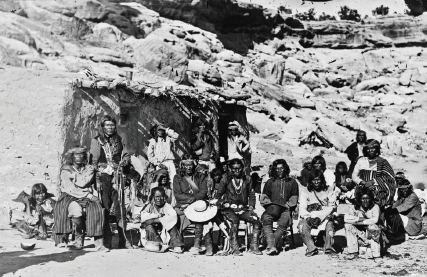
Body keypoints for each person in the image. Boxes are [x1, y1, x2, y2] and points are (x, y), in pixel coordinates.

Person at [53, 146, 108, 252]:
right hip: (70, 196)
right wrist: (87, 195)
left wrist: (75, 177)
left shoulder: (89, 168)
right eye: (76, 154)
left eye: (81, 154)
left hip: (86, 195)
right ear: (72, 156)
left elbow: (83, 182)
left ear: (84, 156)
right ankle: (76, 240)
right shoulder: (66, 169)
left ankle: (99, 244)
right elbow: (69, 188)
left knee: (96, 210)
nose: (78, 156)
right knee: (75, 211)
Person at [90, 115, 132, 249]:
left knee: (120, 208)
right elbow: (94, 161)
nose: (110, 127)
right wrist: (97, 173)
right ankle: (106, 241)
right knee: (105, 208)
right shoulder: (97, 141)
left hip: (118, 176)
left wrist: (124, 162)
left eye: (112, 125)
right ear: (102, 127)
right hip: (103, 178)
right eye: (107, 125)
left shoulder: (120, 139)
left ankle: (124, 240)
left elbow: (125, 153)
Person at [214, 158, 262, 256]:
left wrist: (251, 207)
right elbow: (218, 197)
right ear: (230, 169)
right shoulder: (225, 179)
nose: (237, 171)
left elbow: (252, 195)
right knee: (234, 221)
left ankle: (254, 245)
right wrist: (224, 204)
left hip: (243, 208)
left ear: (242, 168)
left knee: (256, 220)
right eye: (234, 168)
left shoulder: (247, 179)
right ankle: (234, 248)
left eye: (239, 168)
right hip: (229, 209)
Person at [173, 154, 214, 255]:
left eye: (190, 164)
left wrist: (194, 199)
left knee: (203, 217)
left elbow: (203, 192)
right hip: (183, 204)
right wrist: (190, 200)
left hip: (198, 204)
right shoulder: (177, 178)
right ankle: (178, 243)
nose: (189, 167)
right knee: (176, 215)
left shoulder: (201, 176)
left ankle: (200, 245)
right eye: (186, 165)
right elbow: (178, 194)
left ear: (194, 165)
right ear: (182, 166)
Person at [260, 159, 299, 255]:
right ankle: (272, 245)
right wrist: (270, 206)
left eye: (281, 168)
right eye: (277, 169)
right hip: (272, 209)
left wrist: (287, 205)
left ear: (285, 169)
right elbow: (264, 197)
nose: (280, 171)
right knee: (266, 218)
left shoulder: (292, 182)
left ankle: (271, 245)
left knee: (284, 221)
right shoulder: (270, 182)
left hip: (286, 209)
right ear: (274, 170)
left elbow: (294, 197)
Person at [298, 169, 337, 257]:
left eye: (318, 179)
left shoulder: (329, 190)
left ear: (322, 180)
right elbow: (302, 207)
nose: (316, 182)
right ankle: (311, 248)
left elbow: (331, 206)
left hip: (325, 216)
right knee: (302, 225)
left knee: (330, 225)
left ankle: (328, 248)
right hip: (310, 215)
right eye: (313, 180)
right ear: (310, 181)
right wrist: (308, 218)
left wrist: (320, 217)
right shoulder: (305, 191)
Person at [352, 139, 396, 209]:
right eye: (368, 149)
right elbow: (354, 176)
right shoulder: (361, 161)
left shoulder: (383, 162)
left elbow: (390, 178)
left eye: (373, 148)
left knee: (377, 209)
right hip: (363, 188)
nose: (370, 151)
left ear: (377, 149)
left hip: (379, 190)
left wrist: (372, 182)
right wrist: (363, 183)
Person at [140, 187, 184, 253]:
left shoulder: (167, 206)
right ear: (153, 197)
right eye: (157, 197)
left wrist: (155, 220)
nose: (159, 199)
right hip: (154, 234)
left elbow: (173, 216)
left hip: (165, 232)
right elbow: (143, 216)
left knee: (172, 225)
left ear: (164, 197)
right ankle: (159, 244)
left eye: (161, 196)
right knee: (148, 226)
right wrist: (157, 216)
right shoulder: (150, 206)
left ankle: (176, 245)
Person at [341, 187, 381, 261]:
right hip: (360, 233)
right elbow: (346, 218)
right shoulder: (355, 207)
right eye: (363, 199)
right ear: (359, 199)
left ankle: (376, 255)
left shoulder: (375, 207)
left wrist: (362, 222)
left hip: (371, 234)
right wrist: (358, 219)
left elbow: (374, 220)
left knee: (373, 227)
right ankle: (353, 252)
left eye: (367, 198)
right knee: (348, 225)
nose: (365, 201)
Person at [385, 175, 423, 240]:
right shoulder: (402, 196)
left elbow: (403, 207)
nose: (403, 191)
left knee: (395, 215)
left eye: (405, 189)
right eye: (402, 189)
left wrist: (390, 211)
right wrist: (387, 210)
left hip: (414, 224)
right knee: (388, 214)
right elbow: (395, 205)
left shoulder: (413, 196)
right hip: (407, 221)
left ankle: (399, 234)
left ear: (409, 188)